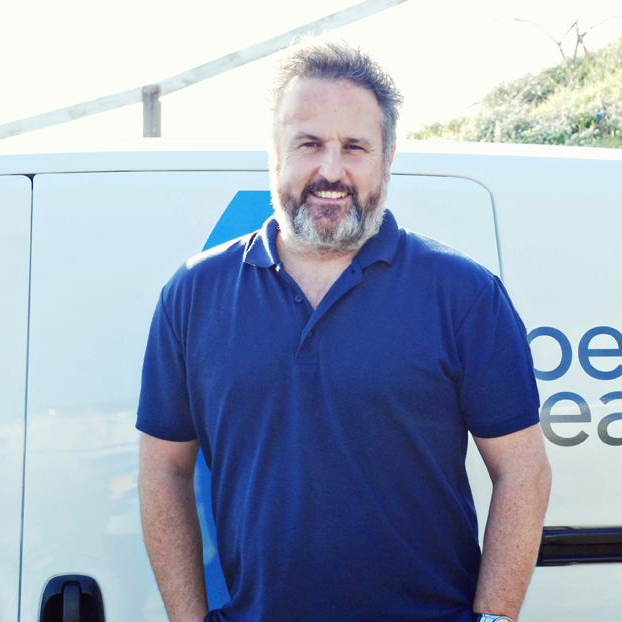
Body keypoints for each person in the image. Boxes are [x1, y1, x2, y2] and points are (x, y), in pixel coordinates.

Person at [136, 38, 551, 622]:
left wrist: (494, 619)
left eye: (354, 147)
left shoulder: (463, 295)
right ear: (275, 153)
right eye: (309, 144)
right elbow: (163, 470)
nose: (331, 170)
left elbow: (523, 471)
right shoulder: (193, 295)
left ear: (387, 157)